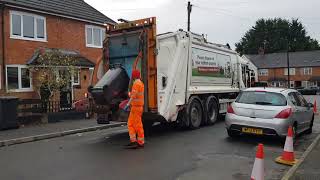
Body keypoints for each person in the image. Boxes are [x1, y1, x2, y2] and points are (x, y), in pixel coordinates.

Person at [125, 70, 145, 149]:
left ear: (134, 76)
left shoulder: (136, 84)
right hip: (136, 107)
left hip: (136, 108)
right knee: (130, 124)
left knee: (137, 125)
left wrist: (127, 104)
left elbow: (134, 96)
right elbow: (135, 95)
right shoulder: (140, 83)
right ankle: (134, 141)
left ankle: (140, 142)